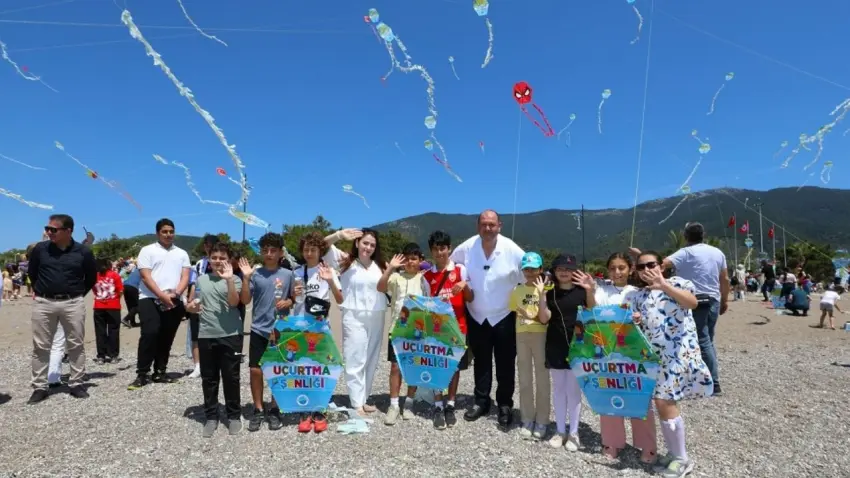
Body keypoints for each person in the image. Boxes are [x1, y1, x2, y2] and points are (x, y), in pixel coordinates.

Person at [626, 251, 713, 477]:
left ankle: (682, 458)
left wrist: (663, 284)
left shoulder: (678, 283)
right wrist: (635, 320)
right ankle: (674, 453)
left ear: (661, 266)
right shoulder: (637, 295)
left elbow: (692, 303)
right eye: (641, 266)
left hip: (678, 356)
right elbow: (638, 327)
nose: (647, 270)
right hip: (654, 359)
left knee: (665, 401)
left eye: (651, 264)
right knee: (661, 403)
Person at [449, 210, 524, 428]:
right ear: (477, 226)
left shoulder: (511, 248)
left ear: (499, 225)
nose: (488, 228)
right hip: (477, 315)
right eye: (484, 224)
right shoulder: (468, 247)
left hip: (504, 315)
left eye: (492, 224)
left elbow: (530, 268)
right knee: (481, 361)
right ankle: (481, 401)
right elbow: (452, 265)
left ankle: (504, 404)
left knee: (505, 363)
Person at [27, 214, 97, 403]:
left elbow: (91, 277)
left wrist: (76, 295)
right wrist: (43, 292)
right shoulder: (40, 250)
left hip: (73, 302)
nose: (48, 232)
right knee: (41, 346)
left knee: (75, 344)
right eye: (47, 228)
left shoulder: (83, 252)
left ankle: (76, 383)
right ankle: (39, 387)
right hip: (44, 302)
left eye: (53, 229)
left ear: (68, 231)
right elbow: (32, 274)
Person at [594, 252, 657, 463]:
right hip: (608, 352)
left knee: (641, 399)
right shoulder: (601, 290)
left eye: (621, 267)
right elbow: (593, 312)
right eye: (612, 268)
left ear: (630, 269)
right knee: (610, 396)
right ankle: (611, 442)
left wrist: (640, 318)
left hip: (635, 353)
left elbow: (651, 319)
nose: (617, 272)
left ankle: (648, 445)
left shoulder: (638, 292)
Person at [652, 222, 728, 395]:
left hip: (695, 299)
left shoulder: (685, 252)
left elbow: (661, 265)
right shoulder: (717, 252)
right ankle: (703, 376)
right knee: (708, 338)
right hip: (714, 299)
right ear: (704, 235)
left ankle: (713, 383)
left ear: (685, 236)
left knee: (701, 339)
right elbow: (725, 279)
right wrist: (724, 300)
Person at [324, 228, 388, 415]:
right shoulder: (346, 261)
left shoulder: (380, 265)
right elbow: (321, 246)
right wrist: (338, 235)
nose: (368, 247)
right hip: (353, 314)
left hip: (377, 314)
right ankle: (355, 402)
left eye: (372, 245)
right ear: (357, 243)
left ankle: (364, 398)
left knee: (371, 358)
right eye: (365, 243)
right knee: (355, 358)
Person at [184, 242, 244, 438]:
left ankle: (233, 415)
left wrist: (227, 280)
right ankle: (211, 416)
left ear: (229, 260)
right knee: (209, 378)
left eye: (222, 258)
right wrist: (191, 307)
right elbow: (194, 302)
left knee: (231, 376)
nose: (218, 261)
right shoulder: (202, 279)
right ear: (209, 259)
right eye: (214, 257)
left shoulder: (235, 279)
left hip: (231, 334)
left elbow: (234, 302)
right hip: (207, 333)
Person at [537, 253, 596, 451]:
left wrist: (590, 290)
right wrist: (541, 296)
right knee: (559, 390)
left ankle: (574, 433)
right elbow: (544, 319)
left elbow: (592, 311)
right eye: (560, 269)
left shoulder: (581, 291)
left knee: (574, 391)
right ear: (554, 271)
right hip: (555, 345)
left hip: (578, 346)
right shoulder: (550, 291)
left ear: (575, 271)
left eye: (568, 269)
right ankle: (560, 430)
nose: (564, 272)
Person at [239, 233, 294, 433]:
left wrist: (289, 301)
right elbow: (245, 300)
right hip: (258, 329)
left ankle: (274, 408)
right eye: (265, 250)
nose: (269, 254)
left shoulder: (288, 274)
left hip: (281, 329)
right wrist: (245, 279)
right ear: (261, 251)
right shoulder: (255, 274)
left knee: (278, 370)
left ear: (280, 252)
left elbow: (294, 297)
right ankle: (258, 408)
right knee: (256, 369)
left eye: (273, 250)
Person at [128, 218, 191, 390]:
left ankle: (160, 371)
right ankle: (142, 373)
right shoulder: (147, 251)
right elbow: (145, 276)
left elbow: (185, 276)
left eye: (171, 231)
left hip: (174, 297)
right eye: (165, 231)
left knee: (167, 336)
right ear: (158, 233)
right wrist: (161, 295)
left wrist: (176, 293)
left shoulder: (182, 253)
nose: (168, 234)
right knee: (150, 333)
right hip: (149, 297)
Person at [290, 231, 343, 432]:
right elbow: (291, 301)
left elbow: (340, 299)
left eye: (313, 249)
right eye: (306, 249)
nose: (309, 253)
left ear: (320, 250)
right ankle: (305, 410)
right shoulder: (296, 272)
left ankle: (320, 409)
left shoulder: (327, 270)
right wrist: (293, 295)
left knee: (321, 368)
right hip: (299, 326)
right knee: (303, 368)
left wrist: (329, 280)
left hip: (321, 327)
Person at [377, 243, 432, 427]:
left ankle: (409, 402)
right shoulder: (396, 277)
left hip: (417, 332)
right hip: (397, 329)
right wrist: (390, 268)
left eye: (414, 259)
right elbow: (380, 287)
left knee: (413, 368)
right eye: (407, 258)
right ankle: (393, 405)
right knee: (395, 368)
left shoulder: (424, 280)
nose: (410, 262)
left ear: (420, 261)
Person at [423, 230, 473, 428]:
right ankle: (437, 404)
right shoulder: (427, 276)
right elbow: (425, 304)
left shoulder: (460, 270)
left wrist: (464, 286)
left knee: (454, 367)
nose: (439, 253)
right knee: (437, 366)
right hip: (436, 329)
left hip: (458, 327)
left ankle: (450, 404)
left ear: (449, 249)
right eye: (435, 249)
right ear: (431, 251)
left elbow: (470, 299)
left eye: (443, 248)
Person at [509, 252, 550, 441]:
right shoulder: (517, 290)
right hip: (522, 334)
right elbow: (514, 313)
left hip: (541, 334)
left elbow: (547, 316)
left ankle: (542, 420)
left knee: (542, 379)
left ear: (541, 269)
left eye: (534, 268)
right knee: (524, 378)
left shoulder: (548, 288)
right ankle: (527, 418)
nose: (530, 272)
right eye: (527, 269)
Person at [186, 234, 219, 378]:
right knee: (196, 335)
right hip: (200, 303)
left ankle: (213, 363)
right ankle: (198, 366)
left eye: (210, 245)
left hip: (215, 304)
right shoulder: (200, 264)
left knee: (215, 335)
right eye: (206, 244)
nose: (208, 247)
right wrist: (190, 301)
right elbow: (194, 283)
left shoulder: (221, 262)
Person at [92, 257, 124, 363]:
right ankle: (113, 355)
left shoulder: (95, 276)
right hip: (113, 305)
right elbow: (120, 290)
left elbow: (94, 290)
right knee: (113, 330)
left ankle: (101, 355)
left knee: (100, 331)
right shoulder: (115, 275)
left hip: (99, 305)